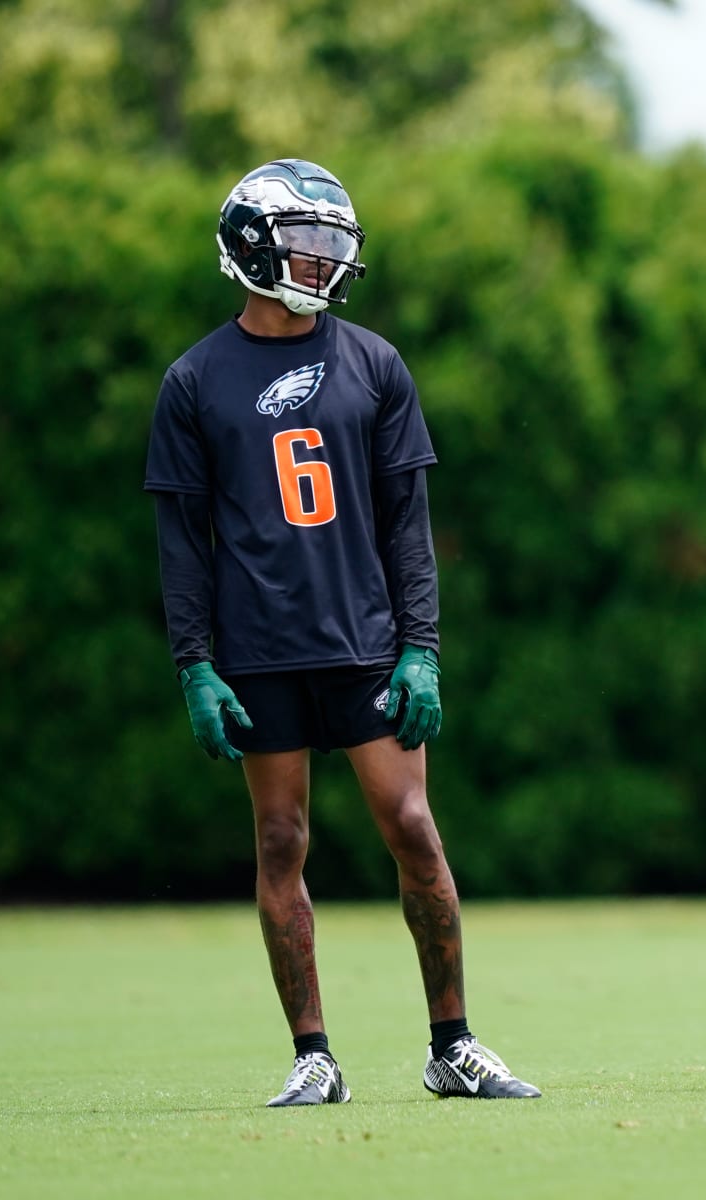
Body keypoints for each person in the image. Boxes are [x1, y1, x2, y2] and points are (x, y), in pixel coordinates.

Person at [144, 158, 540, 1105]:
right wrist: (194, 664)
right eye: (307, 244)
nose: (324, 263)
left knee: (413, 829)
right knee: (280, 842)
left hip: (365, 639)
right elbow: (181, 542)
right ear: (251, 248)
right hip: (258, 649)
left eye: (332, 246)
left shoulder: (374, 362)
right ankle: (312, 1055)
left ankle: (453, 1043)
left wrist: (423, 647)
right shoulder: (194, 381)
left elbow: (408, 522)